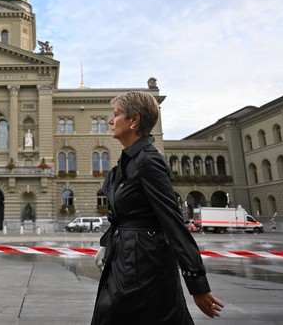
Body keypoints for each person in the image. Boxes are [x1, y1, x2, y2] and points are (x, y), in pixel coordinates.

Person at [91, 91, 224, 324]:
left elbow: (172, 220)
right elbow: (123, 216)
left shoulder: (148, 160)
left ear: (134, 121)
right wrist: (107, 245)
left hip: (145, 264)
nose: (110, 121)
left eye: (116, 114)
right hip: (126, 258)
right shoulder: (128, 162)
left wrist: (196, 281)